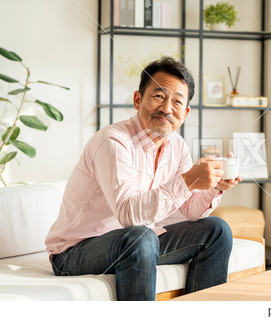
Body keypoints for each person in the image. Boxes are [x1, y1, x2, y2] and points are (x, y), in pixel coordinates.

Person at [45, 56, 241, 301]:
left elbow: (190, 210)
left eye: (177, 102)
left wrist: (213, 187)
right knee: (141, 236)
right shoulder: (113, 141)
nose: (167, 108)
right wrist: (189, 180)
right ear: (138, 100)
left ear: (185, 113)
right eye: (159, 96)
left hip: (136, 243)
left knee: (217, 229)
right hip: (76, 251)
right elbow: (129, 215)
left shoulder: (177, 147)